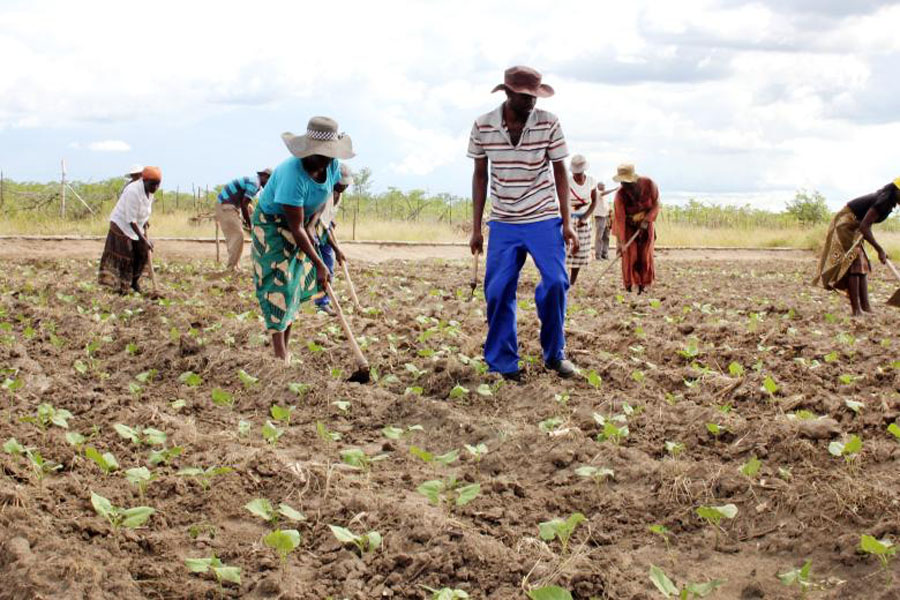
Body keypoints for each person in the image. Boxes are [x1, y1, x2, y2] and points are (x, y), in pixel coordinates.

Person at [468, 65, 579, 381]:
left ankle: (554, 355)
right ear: (507, 92)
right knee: (499, 290)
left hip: (543, 216)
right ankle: (504, 363)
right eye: (525, 96)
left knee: (557, 283)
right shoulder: (483, 125)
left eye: (535, 96)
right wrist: (477, 227)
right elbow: (479, 174)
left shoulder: (549, 122)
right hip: (503, 220)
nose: (531, 102)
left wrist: (567, 221)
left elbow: (560, 172)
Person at [251, 116, 353, 362]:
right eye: (321, 155)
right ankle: (279, 356)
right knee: (278, 286)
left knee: (294, 284)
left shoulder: (333, 167)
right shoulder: (291, 174)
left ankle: (285, 350)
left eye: (330, 154)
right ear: (308, 151)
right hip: (273, 227)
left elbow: (323, 198)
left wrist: (312, 222)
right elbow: (294, 228)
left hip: (302, 224)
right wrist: (319, 263)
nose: (326, 160)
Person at [813, 178, 900, 316]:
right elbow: (864, 226)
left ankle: (866, 307)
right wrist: (879, 249)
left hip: (855, 228)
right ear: (896, 191)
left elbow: (866, 224)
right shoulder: (883, 202)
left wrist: (878, 248)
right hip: (845, 224)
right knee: (855, 265)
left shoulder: (888, 204)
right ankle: (856, 310)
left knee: (862, 265)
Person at [99, 166, 161, 294]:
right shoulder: (133, 191)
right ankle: (121, 286)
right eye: (152, 184)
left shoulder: (150, 191)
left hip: (136, 225)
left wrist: (144, 221)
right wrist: (143, 239)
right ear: (144, 181)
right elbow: (130, 219)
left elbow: (143, 209)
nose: (155, 188)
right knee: (126, 254)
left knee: (142, 252)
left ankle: (134, 282)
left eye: (157, 185)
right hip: (122, 224)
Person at [612, 163, 660, 294]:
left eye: (627, 182)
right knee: (630, 254)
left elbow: (656, 205)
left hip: (646, 224)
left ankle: (645, 284)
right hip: (628, 226)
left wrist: (647, 219)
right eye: (622, 182)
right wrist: (621, 242)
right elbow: (620, 219)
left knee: (645, 255)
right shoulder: (620, 195)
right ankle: (631, 284)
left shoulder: (649, 185)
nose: (624, 185)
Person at [313, 164, 353, 315]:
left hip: (324, 228)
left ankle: (322, 302)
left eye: (347, 183)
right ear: (335, 181)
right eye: (343, 183)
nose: (345, 186)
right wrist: (337, 249)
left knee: (328, 268)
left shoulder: (339, 195)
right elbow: (321, 226)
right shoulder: (325, 194)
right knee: (321, 269)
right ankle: (320, 303)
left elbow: (327, 218)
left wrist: (331, 220)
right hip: (314, 231)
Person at [216, 169, 272, 272]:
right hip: (226, 206)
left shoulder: (254, 183)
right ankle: (231, 268)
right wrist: (249, 224)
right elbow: (244, 204)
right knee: (237, 235)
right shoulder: (254, 183)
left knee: (237, 235)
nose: (270, 184)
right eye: (270, 180)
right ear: (264, 176)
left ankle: (235, 266)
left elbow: (247, 204)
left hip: (230, 205)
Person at [566, 154, 597, 285]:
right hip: (569, 218)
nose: (577, 175)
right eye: (575, 172)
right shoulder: (567, 181)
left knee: (579, 253)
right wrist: (567, 220)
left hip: (584, 221)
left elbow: (594, 202)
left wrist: (584, 217)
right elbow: (564, 202)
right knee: (567, 250)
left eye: (579, 172)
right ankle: (562, 279)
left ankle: (572, 281)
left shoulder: (591, 181)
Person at [593, 181, 617, 260]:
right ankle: (598, 255)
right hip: (600, 217)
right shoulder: (597, 193)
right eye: (602, 186)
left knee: (606, 236)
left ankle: (605, 254)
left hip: (606, 217)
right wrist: (614, 189)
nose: (604, 187)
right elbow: (603, 193)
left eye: (604, 186)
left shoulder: (604, 197)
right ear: (598, 186)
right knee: (599, 237)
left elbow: (605, 206)